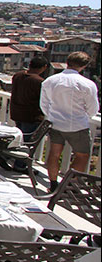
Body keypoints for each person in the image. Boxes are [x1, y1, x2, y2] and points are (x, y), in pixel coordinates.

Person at [40, 51, 99, 193]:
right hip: (77, 125)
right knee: (82, 155)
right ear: (84, 66)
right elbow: (93, 109)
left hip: (56, 124)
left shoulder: (50, 81)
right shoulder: (87, 84)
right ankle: (68, 186)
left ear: (67, 62)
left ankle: (53, 184)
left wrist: (52, 116)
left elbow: (44, 104)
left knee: (54, 154)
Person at [10, 56, 49, 171]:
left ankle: (8, 156)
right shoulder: (39, 82)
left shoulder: (17, 76)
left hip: (17, 112)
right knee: (27, 142)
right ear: (44, 67)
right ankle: (20, 165)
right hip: (32, 116)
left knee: (18, 139)